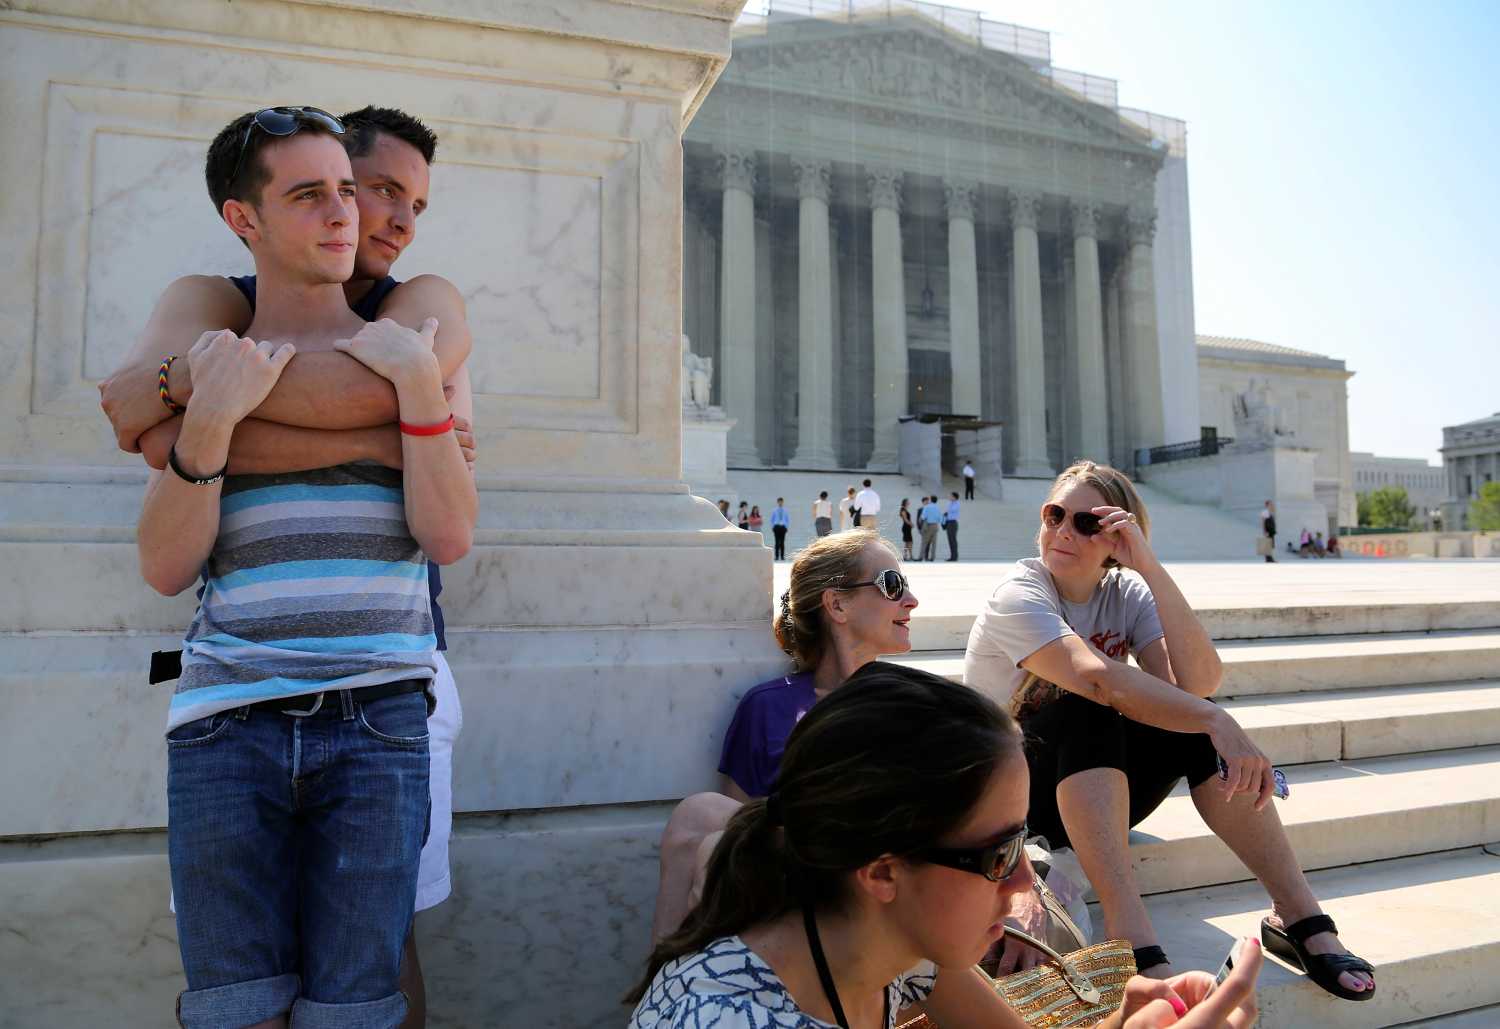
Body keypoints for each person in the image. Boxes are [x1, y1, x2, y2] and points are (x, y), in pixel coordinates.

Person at [100, 106, 471, 1026]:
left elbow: (451, 534)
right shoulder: (217, 329)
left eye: (356, 190)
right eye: (322, 192)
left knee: (360, 1002)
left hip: (381, 707)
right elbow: (162, 563)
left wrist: (197, 419)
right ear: (246, 218)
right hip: (230, 717)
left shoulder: (413, 330)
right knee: (237, 1009)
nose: (361, 215)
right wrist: (211, 418)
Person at [628, 664, 1262, 1029]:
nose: (1023, 889)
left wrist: (1123, 1020)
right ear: (881, 872)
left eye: (1023, 846)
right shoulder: (729, 1019)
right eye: (998, 858)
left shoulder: (896, 952)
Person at [964, 461, 1374, 1001]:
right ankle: (1129, 934)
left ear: (1117, 537)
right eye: (1054, 513)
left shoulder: (1126, 593)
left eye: (1087, 523)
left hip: (1091, 791)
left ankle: (1297, 915)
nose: (1064, 530)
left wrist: (1151, 569)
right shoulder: (1018, 593)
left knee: (1188, 723)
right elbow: (1097, 680)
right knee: (1091, 705)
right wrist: (1218, 718)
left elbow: (1195, 682)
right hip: (1009, 801)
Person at [648, 530, 918, 943]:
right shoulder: (766, 708)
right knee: (699, 816)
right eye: (892, 585)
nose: (911, 601)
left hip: (889, 894)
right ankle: (666, 989)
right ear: (837, 604)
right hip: (793, 903)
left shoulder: (917, 705)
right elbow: (738, 841)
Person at [919, 496, 941, 563]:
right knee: (934, 543)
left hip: (928, 526)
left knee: (924, 542)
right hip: (935, 525)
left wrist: (920, 523)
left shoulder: (927, 507)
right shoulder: (937, 507)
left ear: (931, 500)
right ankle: (932, 557)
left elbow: (923, 516)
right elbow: (939, 517)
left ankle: (921, 557)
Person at [943, 491, 961, 561]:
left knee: (953, 540)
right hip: (948, 522)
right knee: (950, 540)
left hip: (953, 523)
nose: (949, 497)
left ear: (954, 497)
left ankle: (954, 556)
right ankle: (952, 556)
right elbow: (947, 511)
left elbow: (951, 510)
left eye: (951, 496)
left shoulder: (957, 503)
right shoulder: (950, 503)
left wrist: (948, 508)